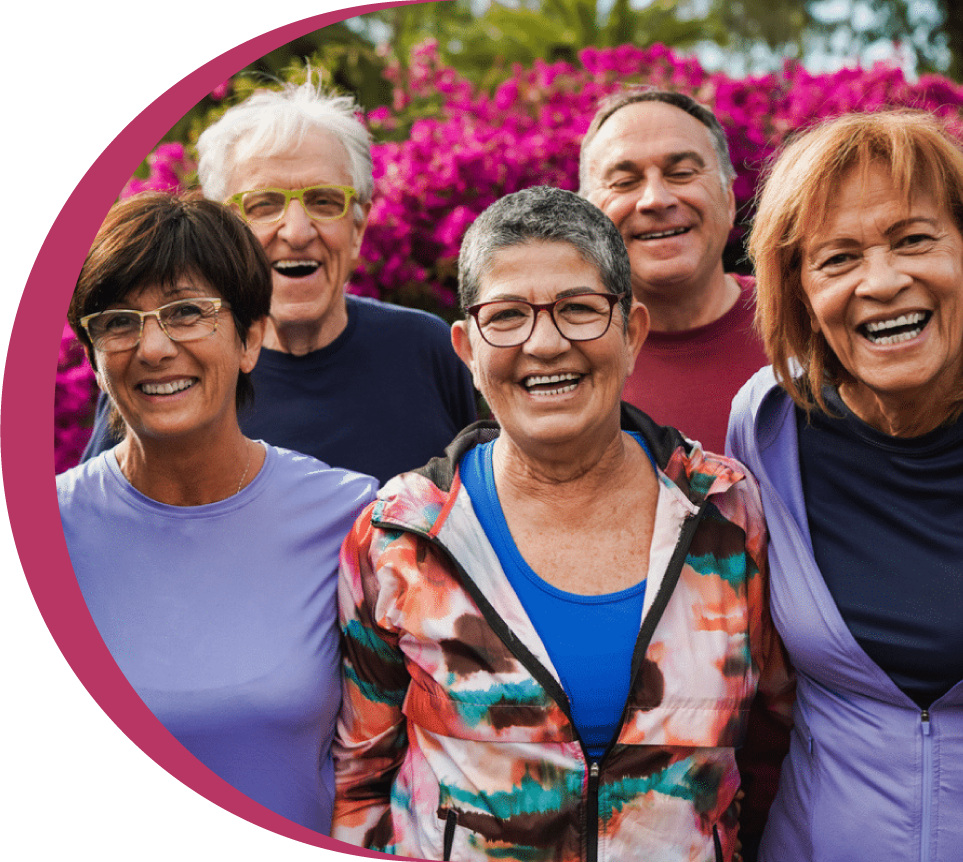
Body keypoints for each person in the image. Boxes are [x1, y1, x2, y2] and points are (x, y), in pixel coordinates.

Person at [332, 186, 792, 861]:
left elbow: (772, 748)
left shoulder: (723, 514)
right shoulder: (402, 535)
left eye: (578, 309)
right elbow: (360, 776)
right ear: (465, 347)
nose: (544, 344)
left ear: (631, 332)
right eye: (508, 316)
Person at [57, 193, 378, 833]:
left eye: (186, 313)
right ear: (93, 357)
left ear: (251, 337)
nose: (152, 347)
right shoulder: (48, 531)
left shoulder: (352, 517)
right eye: (118, 322)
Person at [726, 111, 963, 861]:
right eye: (836, 259)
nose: (883, 281)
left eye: (913, 240)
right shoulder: (766, 425)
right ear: (797, 292)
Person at [81, 75, 477, 485]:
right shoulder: (162, 372)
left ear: (357, 228)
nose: (297, 231)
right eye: (263, 205)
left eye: (325, 201)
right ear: (219, 234)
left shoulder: (426, 349)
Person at [579, 88, 766, 454]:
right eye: (624, 182)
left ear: (728, 201)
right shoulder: (563, 355)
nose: (655, 200)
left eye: (681, 173)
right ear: (589, 217)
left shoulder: (806, 325)